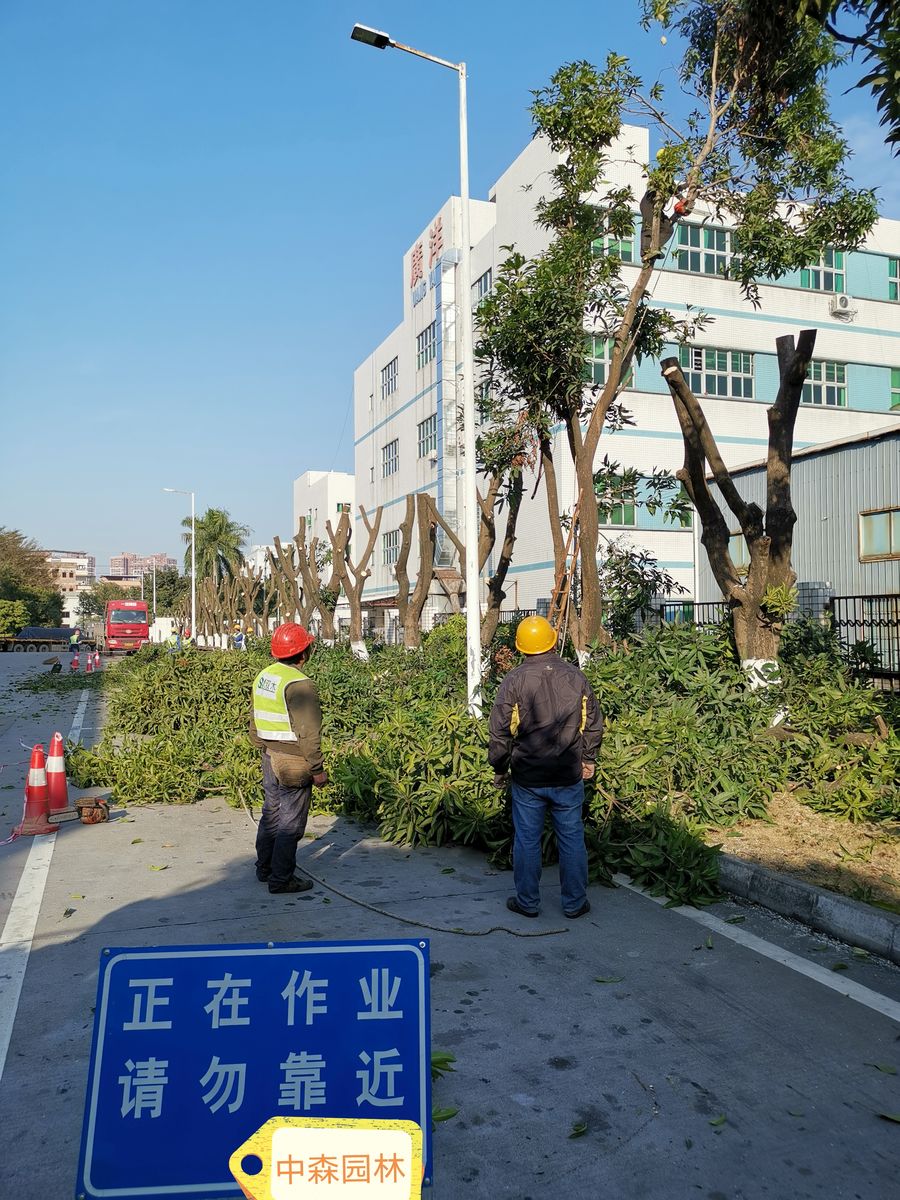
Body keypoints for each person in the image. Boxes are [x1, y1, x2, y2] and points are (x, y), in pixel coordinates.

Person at [488, 615, 603, 920]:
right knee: (572, 838)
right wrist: (588, 759)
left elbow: (500, 731)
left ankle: (527, 903)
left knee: (527, 840)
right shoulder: (576, 677)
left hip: (528, 777)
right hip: (568, 774)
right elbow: (593, 723)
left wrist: (499, 768)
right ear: (552, 641)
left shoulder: (514, 681)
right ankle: (575, 903)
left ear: (521, 646)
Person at [249, 622, 328, 895]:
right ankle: (282, 879)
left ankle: (264, 868)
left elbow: (254, 717)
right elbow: (308, 732)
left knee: (271, 812)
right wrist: (317, 769)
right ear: (303, 653)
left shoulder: (265, 676)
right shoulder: (300, 684)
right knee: (291, 822)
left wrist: (262, 746)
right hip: (293, 760)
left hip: (269, 754)